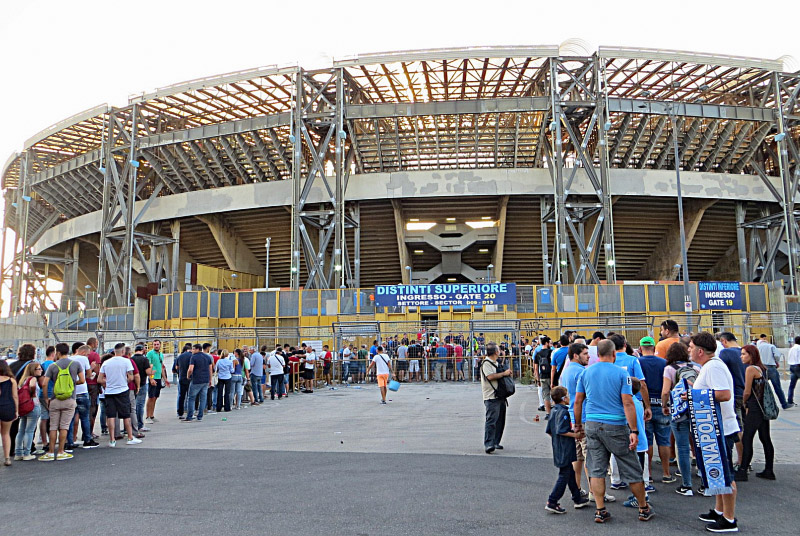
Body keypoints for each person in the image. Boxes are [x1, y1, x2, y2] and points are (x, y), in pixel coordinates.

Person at [573, 339, 653, 523]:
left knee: (596, 469)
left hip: (592, 424)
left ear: (597, 355)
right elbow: (627, 402)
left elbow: (578, 401)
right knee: (632, 468)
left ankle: (600, 509)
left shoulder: (585, 373)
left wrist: (578, 425)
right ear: (614, 354)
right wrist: (634, 430)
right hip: (616, 425)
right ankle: (643, 508)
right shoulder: (621, 374)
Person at [691, 332, 740, 533]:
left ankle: (729, 519)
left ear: (700, 351)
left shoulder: (714, 367)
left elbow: (724, 394)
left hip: (722, 428)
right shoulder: (710, 366)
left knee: (726, 474)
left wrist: (694, 395)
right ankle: (720, 511)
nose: (689, 350)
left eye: (691, 347)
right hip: (714, 427)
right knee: (718, 473)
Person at [660, 342, 699, 496]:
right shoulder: (696, 367)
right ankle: (705, 480)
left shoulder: (669, 369)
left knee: (682, 447)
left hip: (679, 411)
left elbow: (665, 391)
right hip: (696, 408)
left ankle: (687, 485)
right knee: (699, 444)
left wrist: (665, 405)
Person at [545, 385, 591, 513]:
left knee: (570, 473)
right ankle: (552, 500)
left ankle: (577, 497)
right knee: (564, 475)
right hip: (565, 449)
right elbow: (561, 430)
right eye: (568, 395)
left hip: (558, 447)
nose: (569, 398)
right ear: (564, 398)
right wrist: (575, 435)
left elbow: (550, 430)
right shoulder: (564, 412)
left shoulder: (553, 411)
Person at [735, 345, 775, 482]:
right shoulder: (762, 368)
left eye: (744, 354)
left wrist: (744, 402)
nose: (741, 356)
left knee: (747, 438)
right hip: (762, 406)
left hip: (754, 407)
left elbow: (747, 391)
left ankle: (742, 470)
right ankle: (769, 470)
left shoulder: (750, 369)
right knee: (765, 438)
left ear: (751, 355)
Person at [637, 336, 673, 484]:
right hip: (662, 404)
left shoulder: (638, 362)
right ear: (653, 348)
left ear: (640, 349)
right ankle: (666, 473)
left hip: (646, 406)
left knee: (648, 441)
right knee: (664, 440)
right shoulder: (664, 363)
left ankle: (649, 474)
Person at [41, 343, 85, 461]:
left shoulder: (53, 366)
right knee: (64, 426)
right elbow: (82, 380)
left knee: (53, 427)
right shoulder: (76, 364)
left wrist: (46, 398)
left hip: (55, 399)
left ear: (58, 353)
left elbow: (44, 383)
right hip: (70, 399)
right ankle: (61, 451)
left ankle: (50, 452)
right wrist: (71, 384)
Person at [99, 343, 142, 447]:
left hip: (109, 391)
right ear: (123, 351)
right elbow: (131, 377)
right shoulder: (126, 361)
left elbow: (99, 379)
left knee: (111, 416)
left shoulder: (106, 363)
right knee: (126, 415)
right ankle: (130, 437)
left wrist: (107, 383)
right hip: (122, 390)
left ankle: (112, 439)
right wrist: (124, 381)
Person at [560, 343, 589, 493]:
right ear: (576, 355)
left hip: (571, 416)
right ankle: (594, 491)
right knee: (589, 457)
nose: (588, 356)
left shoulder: (565, 372)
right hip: (582, 417)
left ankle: (577, 488)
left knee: (577, 457)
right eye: (585, 353)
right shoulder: (582, 372)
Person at [718, 332, 746, 466]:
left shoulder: (725, 353)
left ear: (724, 341)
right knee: (745, 429)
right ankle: (746, 459)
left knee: (737, 429)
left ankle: (741, 461)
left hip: (734, 394)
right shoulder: (745, 352)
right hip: (747, 394)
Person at [480, 343, 511, 454]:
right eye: (499, 350)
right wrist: (504, 373)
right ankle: (489, 443)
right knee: (491, 420)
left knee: (500, 420)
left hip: (500, 395)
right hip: (491, 396)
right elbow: (490, 376)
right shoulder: (486, 363)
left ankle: (496, 441)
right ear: (496, 352)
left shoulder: (496, 362)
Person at [14, 361, 42, 461]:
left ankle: (18, 452)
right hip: (33, 406)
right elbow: (32, 387)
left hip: (23, 407)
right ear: (33, 370)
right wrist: (33, 394)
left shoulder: (22, 380)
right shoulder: (33, 379)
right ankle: (27, 453)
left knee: (21, 430)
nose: (41, 370)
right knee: (29, 431)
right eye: (39, 369)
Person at [756, 334, 792, 409]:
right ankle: (784, 404)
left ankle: (761, 405)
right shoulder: (771, 346)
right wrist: (776, 362)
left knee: (761, 387)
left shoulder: (757, 348)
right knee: (777, 387)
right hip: (771, 367)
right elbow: (777, 356)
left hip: (761, 368)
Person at [185, 344, 213, 422]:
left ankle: (190, 416)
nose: (192, 351)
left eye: (193, 349)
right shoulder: (208, 357)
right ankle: (200, 416)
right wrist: (210, 380)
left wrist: (188, 376)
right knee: (203, 398)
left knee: (191, 398)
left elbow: (190, 369)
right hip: (205, 380)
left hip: (196, 380)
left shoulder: (193, 357)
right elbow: (210, 369)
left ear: (197, 349)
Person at [145, 339, 170, 424]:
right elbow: (149, 367)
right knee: (151, 397)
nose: (156, 346)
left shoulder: (161, 355)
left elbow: (162, 367)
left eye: (157, 344)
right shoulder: (150, 354)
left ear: (160, 345)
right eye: (155, 344)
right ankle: (147, 416)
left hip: (159, 378)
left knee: (155, 397)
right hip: (153, 377)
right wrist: (151, 378)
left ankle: (152, 415)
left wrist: (165, 379)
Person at [0, 359, 19, 466]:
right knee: (6, 433)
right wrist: (16, 410)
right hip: (8, 407)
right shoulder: (12, 380)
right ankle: (7, 458)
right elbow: (15, 397)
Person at [131, 345, 152, 432]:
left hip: (132, 384)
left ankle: (131, 425)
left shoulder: (131, 359)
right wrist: (151, 370)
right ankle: (140, 424)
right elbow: (148, 372)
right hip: (142, 383)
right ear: (142, 350)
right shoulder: (144, 359)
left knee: (132, 405)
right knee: (140, 404)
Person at [535, 336, 554, 418]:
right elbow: (554, 366)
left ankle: (548, 413)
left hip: (542, 376)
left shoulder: (537, 354)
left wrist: (538, 379)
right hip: (551, 376)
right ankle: (555, 413)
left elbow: (536, 368)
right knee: (554, 394)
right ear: (546, 343)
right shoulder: (551, 352)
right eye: (549, 342)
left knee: (546, 395)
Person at [788, 335, 800, 406]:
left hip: (792, 366)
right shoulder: (799, 348)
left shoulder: (792, 348)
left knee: (792, 385)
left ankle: (790, 400)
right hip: (798, 366)